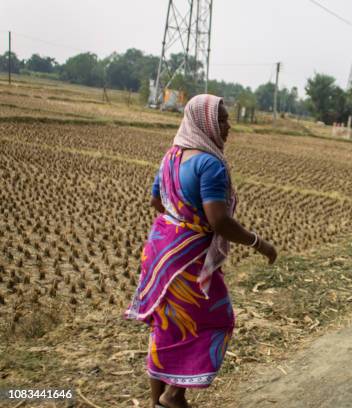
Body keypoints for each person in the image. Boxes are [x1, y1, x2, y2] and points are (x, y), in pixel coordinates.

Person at [125, 94, 277, 408]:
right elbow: (219, 221)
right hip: (189, 259)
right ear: (204, 122)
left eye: (227, 118)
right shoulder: (210, 164)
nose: (228, 125)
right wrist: (259, 243)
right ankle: (174, 395)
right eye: (221, 119)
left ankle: (157, 401)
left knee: (165, 324)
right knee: (217, 320)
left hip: (160, 250)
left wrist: (180, 218)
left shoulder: (172, 155)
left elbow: (157, 201)